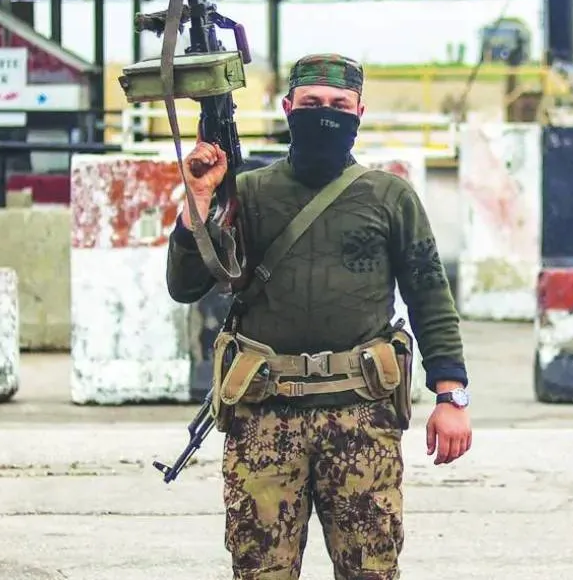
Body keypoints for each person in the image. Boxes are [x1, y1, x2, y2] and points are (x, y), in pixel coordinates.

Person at [166, 53, 472, 580]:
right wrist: (199, 198)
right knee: (260, 570)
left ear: (359, 113)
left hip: (361, 418)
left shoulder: (389, 197)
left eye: (338, 104)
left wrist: (451, 396)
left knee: (370, 571)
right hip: (264, 418)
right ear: (287, 108)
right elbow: (186, 284)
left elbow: (430, 297)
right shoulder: (248, 192)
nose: (324, 113)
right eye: (310, 104)